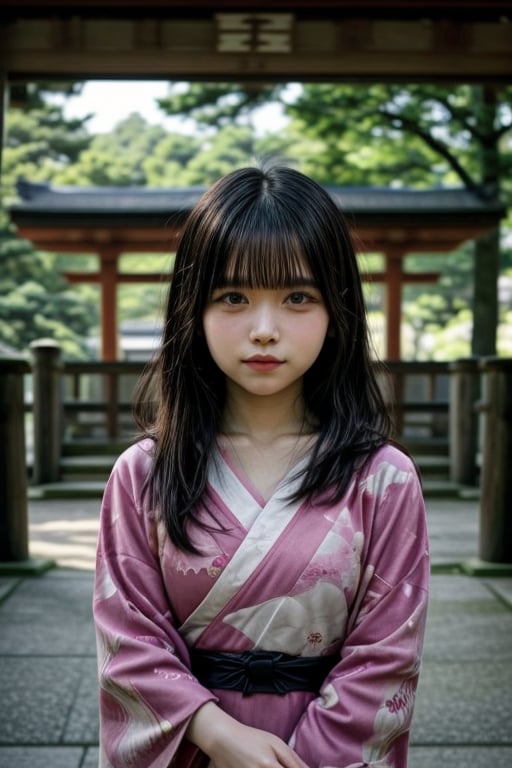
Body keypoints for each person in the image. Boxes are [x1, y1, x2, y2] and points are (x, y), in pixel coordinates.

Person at [93, 165, 429, 768]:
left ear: (338, 308)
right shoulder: (142, 474)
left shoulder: (385, 478)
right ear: (192, 309)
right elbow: (127, 641)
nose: (265, 330)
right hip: (194, 748)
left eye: (298, 297)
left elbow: (386, 656)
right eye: (234, 297)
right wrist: (218, 737)